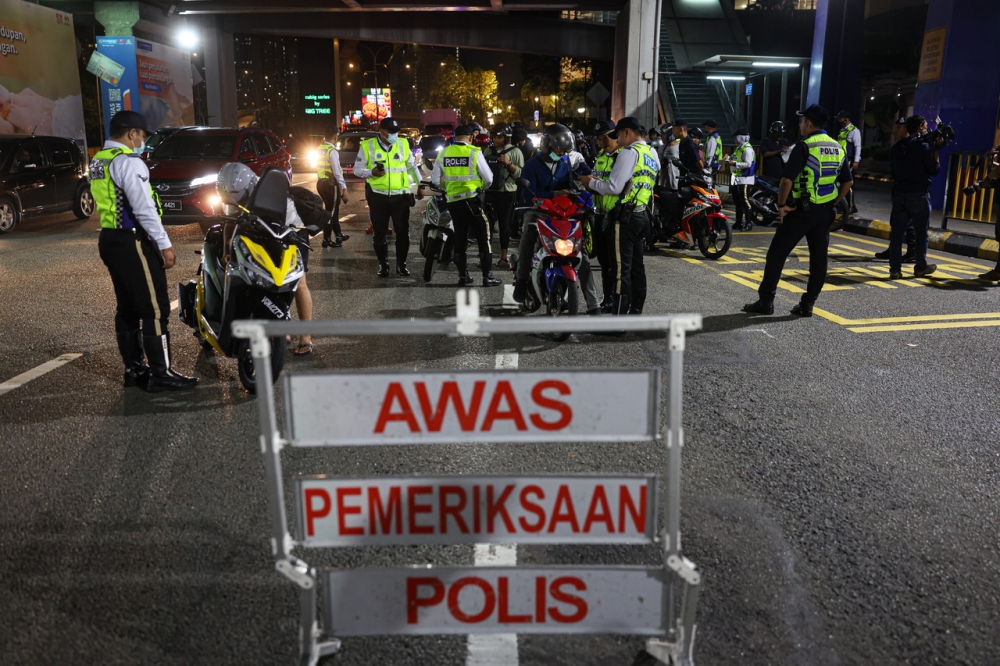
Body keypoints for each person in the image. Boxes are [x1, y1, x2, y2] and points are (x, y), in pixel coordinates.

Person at [91, 110, 197, 392]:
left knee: (127, 307)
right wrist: (164, 244)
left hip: (110, 239)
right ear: (131, 133)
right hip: (134, 240)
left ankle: (134, 370)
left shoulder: (99, 160)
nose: (142, 141)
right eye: (142, 135)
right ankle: (161, 374)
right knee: (155, 309)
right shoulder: (129, 162)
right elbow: (144, 209)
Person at [742, 105, 853, 317]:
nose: (800, 125)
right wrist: (834, 202)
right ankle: (807, 304)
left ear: (809, 123)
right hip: (825, 212)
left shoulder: (806, 146)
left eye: (801, 121)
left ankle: (766, 301)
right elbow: (848, 182)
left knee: (777, 254)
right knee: (819, 260)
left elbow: (786, 180)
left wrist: (782, 206)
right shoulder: (838, 147)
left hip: (801, 211)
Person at [513, 123, 602, 314]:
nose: (561, 154)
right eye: (558, 150)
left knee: (582, 255)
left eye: (564, 151)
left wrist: (583, 194)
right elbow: (527, 195)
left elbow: (578, 181)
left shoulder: (565, 163)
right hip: (539, 213)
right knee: (528, 236)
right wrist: (554, 193)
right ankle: (521, 280)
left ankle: (594, 305)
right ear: (546, 146)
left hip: (563, 215)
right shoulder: (531, 165)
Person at [580, 116, 659, 315]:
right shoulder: (651, 152)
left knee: (620, 270)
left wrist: (590, 183)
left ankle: (619, 320)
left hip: (623, 217)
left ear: (626, 133)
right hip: (641, 213)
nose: (618, 141)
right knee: (636, 267)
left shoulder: (629, 152)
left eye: (617, 136)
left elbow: (614, 186)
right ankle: (635, 312)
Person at [431, 125, 502, 287]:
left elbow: (435, 181)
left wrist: (448, 188)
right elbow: (489, 178)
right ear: (471, 138)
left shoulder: (443, 153)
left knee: (460, 238)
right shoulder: (474, 152)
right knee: (484, 238)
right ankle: (487, 276)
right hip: (472, 201)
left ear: (455, 138)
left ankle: (463, 276)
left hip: (453, 203)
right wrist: (481, 187)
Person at [354, 117, 422, 277]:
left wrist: (421, 185)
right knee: (379, 233)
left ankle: (401, 265)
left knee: (403, 232)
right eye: (391, 132)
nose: (395, 135)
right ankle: (383, 265)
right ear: (382, 131)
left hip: (401, 197)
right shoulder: (367, 146)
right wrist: (371, 172)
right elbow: (357, 170)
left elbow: (412, 166)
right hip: (378, 197)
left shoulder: (403, 144)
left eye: (396, 132)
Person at [886, 114, 942, 280]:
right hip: (918, 194)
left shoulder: (896, 147)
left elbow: (893, 171)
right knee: (921, 234)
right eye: (924, 125)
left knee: (896, 235)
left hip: (899, 193)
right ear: (919, 127)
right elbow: (934, 170)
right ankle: (920, 267)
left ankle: (895, 270)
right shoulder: (923, 146)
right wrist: (936, 150)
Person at [482, 123, 524, 267]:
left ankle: (504, 257)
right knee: (487, 225)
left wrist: (509, 163)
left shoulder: (515, 151)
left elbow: (520, 173)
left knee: (504, 224)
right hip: (490, 192)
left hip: (507, 192)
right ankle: (486, 257)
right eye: (494, 136)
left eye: (499, 137)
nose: (496, 139)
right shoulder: (488, 151)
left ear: (506, 137)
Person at [874, 117, 916, 262]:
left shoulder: (912, 146)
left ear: (907, 129)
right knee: (897, 222)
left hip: (909, 189)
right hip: (900, 187)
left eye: (899, 127)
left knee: (908, 223)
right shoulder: (901, 145)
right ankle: (894, 250)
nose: (895, 130)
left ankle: (912, 253)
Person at [591, 119, 620, 309]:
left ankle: (616, 301)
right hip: (599, 214)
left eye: (604, 139)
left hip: (614, 216)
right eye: (598, 140)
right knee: (602, 259)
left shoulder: (622, 158)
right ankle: (607, 298)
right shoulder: (601, 156)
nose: (601, 143)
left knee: (614, 262)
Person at [315, 126, 350, 248]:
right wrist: (344, 188)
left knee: (333, 209)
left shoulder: (320, 149)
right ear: (335, 136)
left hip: (321, 183)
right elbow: (337, 172)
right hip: (330, 184)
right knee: (331, 212)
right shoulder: (332, 151)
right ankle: (327, 239)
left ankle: (338, 234)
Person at [726, 127, 755, 231]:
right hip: (737, 178)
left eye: (736, 137)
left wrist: (734, 163)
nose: (735, 139)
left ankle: (748, 223)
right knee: (737, 201)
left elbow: (748, 164)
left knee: (745, 201)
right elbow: (733, 158)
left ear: (741, 137)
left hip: (745, 179)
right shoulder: (739, 148)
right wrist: (728, 158)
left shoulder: (747, 149)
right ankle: (738, 222)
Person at [836, 110, 863, 214]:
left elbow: (857, 146)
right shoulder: (843, 130)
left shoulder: (854, 131)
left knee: (848, 183)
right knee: (840, 183)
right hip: (841, 160)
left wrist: (856, 161)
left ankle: (851, 207)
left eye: (840, 118)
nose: (839, 121)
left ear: (845, 119)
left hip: (849, 160)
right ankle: (842, 205)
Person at [660, 121, 683, 191]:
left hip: (676, 184)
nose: (661, 137)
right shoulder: (661, 148)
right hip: (663, 184)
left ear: (670, 134)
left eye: (663, 134)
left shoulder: (680, 147)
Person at [703, 120, 724, 184]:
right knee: (711, 181)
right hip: (715, 164)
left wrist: (707, 165)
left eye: (705, 126)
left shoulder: (712, 138)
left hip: (711, 165)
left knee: (708, 183)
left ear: (709, 127)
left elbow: (711, 153)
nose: (704, 128)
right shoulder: (716, 136)